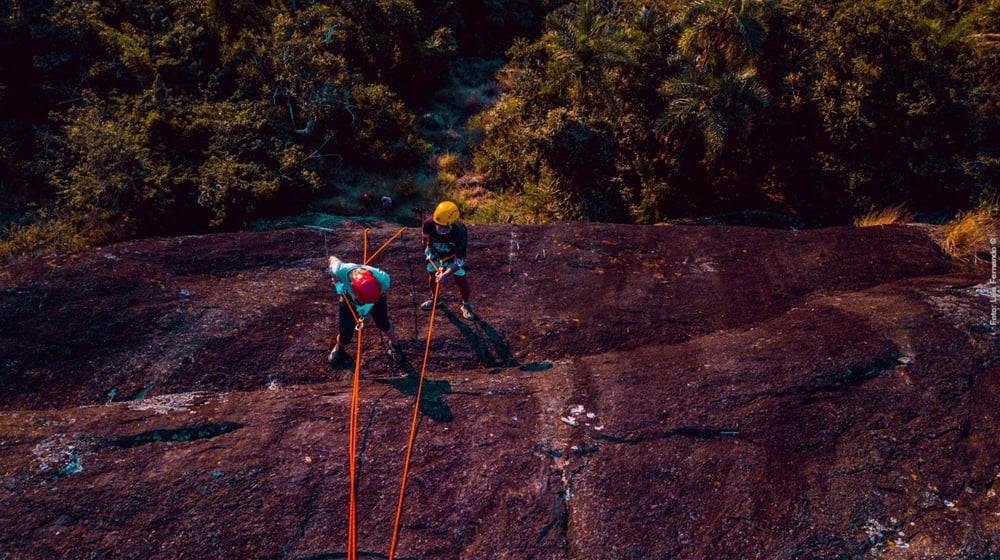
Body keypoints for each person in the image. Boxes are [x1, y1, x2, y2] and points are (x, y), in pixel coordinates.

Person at [327, 256, 403, 365]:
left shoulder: (383, 278)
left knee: (383, 324)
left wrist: (373, 299)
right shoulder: (340, 269)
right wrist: (333, 276)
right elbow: (331, 258)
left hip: (376, 299)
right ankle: (340, 346)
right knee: (345, 332)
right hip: (349, 300)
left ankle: (395, 344)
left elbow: (383, 288)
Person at [421, 200, 476, 320]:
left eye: (444, 227)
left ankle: (466, 305)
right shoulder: (429, 223)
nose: (440, 229)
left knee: (461, 280)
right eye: (438, 225)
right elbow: (425, 238)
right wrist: (427, 249)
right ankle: (435, 299)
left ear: (451, 223)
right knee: (433, 276)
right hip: (435, 253)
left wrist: (446, 274)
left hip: (452, 257)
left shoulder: (460, 231)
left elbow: (460, 261)